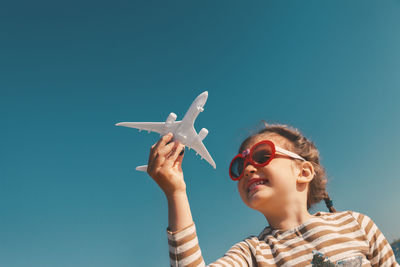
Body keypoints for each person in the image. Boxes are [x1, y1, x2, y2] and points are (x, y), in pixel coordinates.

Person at [145, 123, 398, 266]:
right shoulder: (252, 253)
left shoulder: (356, 224)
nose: (248, 168)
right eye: (238, 165)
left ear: (304, 171)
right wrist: (176, 192)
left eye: (261, 155)